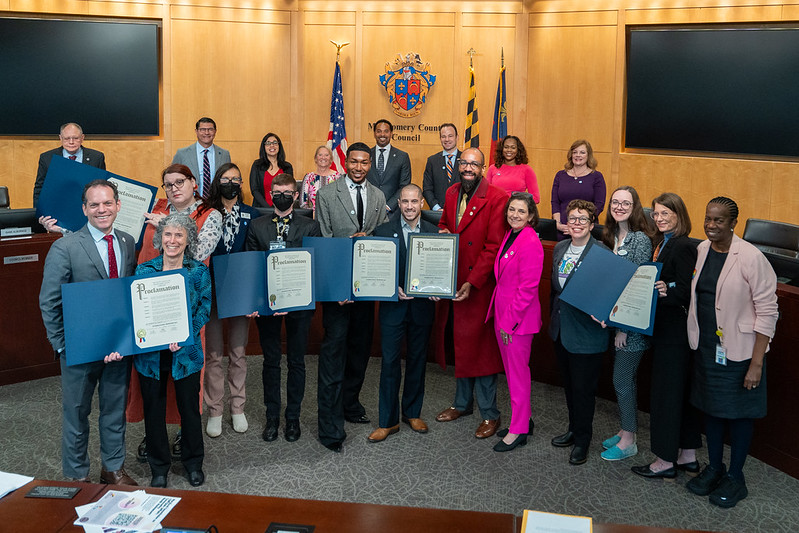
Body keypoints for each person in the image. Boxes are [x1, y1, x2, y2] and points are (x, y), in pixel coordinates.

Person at [39, 179, 137, 485]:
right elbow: (49, 301)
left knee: (114, 411)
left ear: (118, 205)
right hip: (78, 351)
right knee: (76, 416)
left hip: (117, 347)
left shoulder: (126, 241)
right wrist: (61, 346)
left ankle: (113, 469)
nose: (101, 209)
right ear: (84, 209)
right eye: (94, 204)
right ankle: (77, 478)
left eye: (107, 203)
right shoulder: (65, 247)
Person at [685, 197, 778, 508]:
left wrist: (757, 363)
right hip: (707, 348)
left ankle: (736, 477)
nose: (711, 225)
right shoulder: (701, 250)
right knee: (710, 410)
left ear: (734, 223)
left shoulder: (751, 258)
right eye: (708, 219)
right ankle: (715, 467)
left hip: (740, 353)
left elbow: (768, 312)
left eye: (719, 220)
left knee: (739, 416)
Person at [110, 213, 211, 488]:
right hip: (151, 356)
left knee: (189, 410)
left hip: (185, 355)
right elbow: (133, 312)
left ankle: (193, 462)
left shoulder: (198, 270)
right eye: (168, 234)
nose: (173, 240)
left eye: (179, 235)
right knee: (153, 410)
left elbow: (204, 309)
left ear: (188, 239)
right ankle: (159, 466)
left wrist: (185, 333)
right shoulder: (144, 271)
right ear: (159, 238)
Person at [130, 163, 222, 463]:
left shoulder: (210, 214)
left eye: (180, 182)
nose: (174, 188)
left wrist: (165, 226)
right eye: (167, 184)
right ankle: (154, 434)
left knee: (186, 376)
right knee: (152, 375)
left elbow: (197, 252)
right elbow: (111, 229)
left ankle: (186, 431)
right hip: (150, 307)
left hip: (188, 308)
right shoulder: (152, 206)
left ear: (193, 182)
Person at [314, 141, 389, 452]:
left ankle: (350, 403)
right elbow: (325, 239)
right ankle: (329, 427)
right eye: (354, 161)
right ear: (345, 161)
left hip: (367, 289)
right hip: (338, 293)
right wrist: (339, 287)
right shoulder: (327, 194)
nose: (359, 167)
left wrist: (368, 239)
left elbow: (383, 239)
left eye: (364, 162)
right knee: (333, 355)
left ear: (370, 164)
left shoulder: (379, 195)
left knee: (359, 351)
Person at [434, 147, 506, 440]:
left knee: (482, 350)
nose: (468, 168)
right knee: (460, 345)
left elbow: (493, 246)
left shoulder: (498, 197)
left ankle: (490, 414)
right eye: (464, 162)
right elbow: (445, 226)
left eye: (474, 164)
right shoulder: (452, 193)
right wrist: (440, 235)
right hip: (453, 282)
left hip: (479, 287)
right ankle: (462, 404)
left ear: (483, 167)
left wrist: (473, 282)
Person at [245, 174, 321, 443]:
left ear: (296, 196)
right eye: (278, 192)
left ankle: (293, 418)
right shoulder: (257, 226)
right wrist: (255, 303)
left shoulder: (311, 226)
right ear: (270, 195)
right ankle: (272, 417)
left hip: (300, 307)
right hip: (268, 306)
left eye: (288, 192)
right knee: (271, 361)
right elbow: (252, 268)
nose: (283, 196)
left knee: (297, 361)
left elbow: (315, 267)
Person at [632, 193, 702, 479]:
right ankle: (687, 456)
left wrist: (667, 290)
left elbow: (685, 290)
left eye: (665, 214)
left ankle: (664, 460)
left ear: (679, 215)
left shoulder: (683, 245)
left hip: (674, 332)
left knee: (666, 396)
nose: (659, 219)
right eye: (656, 214)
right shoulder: (663, 242)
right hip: (669, 330)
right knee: (679, 394)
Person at [369, 184, 438, 443]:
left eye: (414, 202)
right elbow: (377, 269)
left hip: (422, 307)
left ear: (422, 203)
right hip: (393, 308)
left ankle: (412, 412)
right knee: (389, 362)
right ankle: (388, 421)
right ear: (398, 203)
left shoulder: (434, 233)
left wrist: (437, 289)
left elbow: (438, 270)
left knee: (418, 360)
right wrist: (391, 288)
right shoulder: (384, 231)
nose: (409, 207)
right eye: (405, 202)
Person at [548, 199, 610, 465]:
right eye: (572, 218)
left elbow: (610, 293)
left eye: (582, 219)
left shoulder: (602, 252)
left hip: (587, 335)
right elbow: (556, 291)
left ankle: (583, 440)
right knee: (570, 388)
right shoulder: (560, 248)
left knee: (584, 391)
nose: (576, 223)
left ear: (592, 224)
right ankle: (573, 430)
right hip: (561, 330)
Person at [203, 163, 262, 438]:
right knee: (213, 354)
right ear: (218, 182)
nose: (230, 183)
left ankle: (237, 407)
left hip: (239, 293)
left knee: (238, 354)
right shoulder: (206, 213)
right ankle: (214, 409)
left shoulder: (251, 214)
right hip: (212, 292)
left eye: (235, 179)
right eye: (225, 179)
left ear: (241, 184)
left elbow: (253, 256)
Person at [486, 192, 544, 452]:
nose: (515, 215)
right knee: (511, 373)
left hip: (517, 322)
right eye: (512, 210)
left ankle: (518, 429)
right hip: (504, 315)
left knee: (518, 375)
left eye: (521, 211)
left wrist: (509, 323)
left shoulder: (530, 241)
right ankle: (524, 419)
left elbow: (528, 289)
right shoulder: (512, 235)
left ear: (531, 215)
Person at [598, 186, 653, 461]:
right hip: (614, 322)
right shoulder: (610, 236)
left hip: (631, 327)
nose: (619, 207)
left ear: (635, 207)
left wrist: (623, 328)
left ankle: (630, 440)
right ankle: (624, 429)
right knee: (623, 379)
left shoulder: (640, 240)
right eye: (615, 202)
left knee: (622, 380)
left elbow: (637, 289)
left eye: (626, 203)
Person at [36, 122, 106, 232]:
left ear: (82, 138)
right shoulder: (47, 158)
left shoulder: (97, 157)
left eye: (75, 138)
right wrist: (41, 213)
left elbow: (102, 187)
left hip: (88, 215)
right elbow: (40, 187)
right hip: (58, 214)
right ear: (60, 138)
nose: (71, 142)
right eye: (67, 138)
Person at [551, 140, 606, 240]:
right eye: (575, 152)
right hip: (563, 228)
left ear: (588, 155)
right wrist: (557, 224)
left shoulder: (596, 176)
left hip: (585, 228)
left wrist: (581, 223)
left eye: (582, 152)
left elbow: (599, 204)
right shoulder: (560, 175)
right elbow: (555, 202)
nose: (578, 155)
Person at [172, 117, 231, 199]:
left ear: (215, 131)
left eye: (210, 129)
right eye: (202, 129)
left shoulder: (224, 154)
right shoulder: (182, 154)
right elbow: (172, 179)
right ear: (196, 131)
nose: (206, 133)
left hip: (216, 203)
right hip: (189, 203)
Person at [367, 119, 411, 214]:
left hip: (393, 212)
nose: (382, 135)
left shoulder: (402, 156)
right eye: (379, 131)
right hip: (368, 210)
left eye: (386, 131)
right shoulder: (367, 155)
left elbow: (404, 186)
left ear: (391, 133)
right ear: (374, 133)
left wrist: (389, 206)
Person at [486, 135, 540, 203]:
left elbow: (536, 198)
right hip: (495, 209)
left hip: (516, 211)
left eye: (513, 147)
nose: (509, 150)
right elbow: (486, 194)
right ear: (501, 149)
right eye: (506, 147)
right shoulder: (492, 168)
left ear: (518, 150)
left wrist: (515, 203)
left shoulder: (527, 169)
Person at [422, 123, 461, 211]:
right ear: (440, 139)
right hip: (437, 214)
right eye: (443, 136)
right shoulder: (432, 161)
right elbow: (427, 189)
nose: (447, 139)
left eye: (450, 136)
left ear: (457, 137)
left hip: (460, 213)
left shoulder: (465, 159)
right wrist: (437, 208)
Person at [250, 133, 294, 208]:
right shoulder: (257, 165)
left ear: (279, 146)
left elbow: (290, 189)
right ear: (263, 147)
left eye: (275, 143)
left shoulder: (287, 167)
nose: (272, 145)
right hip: (261, 209)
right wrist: (268, 208)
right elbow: (254, 190)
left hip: (283, 208)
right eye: (268, 143)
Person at [300, 145, 344, 210]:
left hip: (333, 217)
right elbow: (302, 203)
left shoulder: (338, 177)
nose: (323, 157)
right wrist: (312, 214)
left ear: (331, 159)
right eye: (320, 155)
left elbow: (343, 200)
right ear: (315, 158)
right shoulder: (309, 177)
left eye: (326, 155)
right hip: (313, 217)